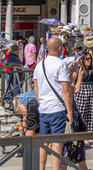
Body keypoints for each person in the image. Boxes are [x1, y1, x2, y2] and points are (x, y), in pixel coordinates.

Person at [33, 36, 73, 170]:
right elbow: (66, 90)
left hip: (44, 110)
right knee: (57, 144)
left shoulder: (40, 64)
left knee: (43, 143)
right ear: (60, 48)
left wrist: (42, 103)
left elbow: (35, 89)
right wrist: (70, 112)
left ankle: (41, 168)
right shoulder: (61, 64)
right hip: (57, 110)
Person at [74, 52, 93, 146]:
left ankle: (86, 137)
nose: (89, 60)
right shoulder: (79, 69)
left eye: (90, 59)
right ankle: (81, 136)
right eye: (87, 59)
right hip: (82, 93)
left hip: (92, 94)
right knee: (81, 114)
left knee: (91, 115)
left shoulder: (92, 70)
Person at [2, 44, 23, 109]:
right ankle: (14, 106)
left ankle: (12, 105)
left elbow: (5, 63)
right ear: (16, 51)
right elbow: (10, 64)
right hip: (16, 78)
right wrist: (20, 66)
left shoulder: (11, 56)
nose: (19, 51)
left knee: (13, 92)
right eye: (18, 50)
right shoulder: (13, 57)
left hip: (14, 77)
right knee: (16, 93)